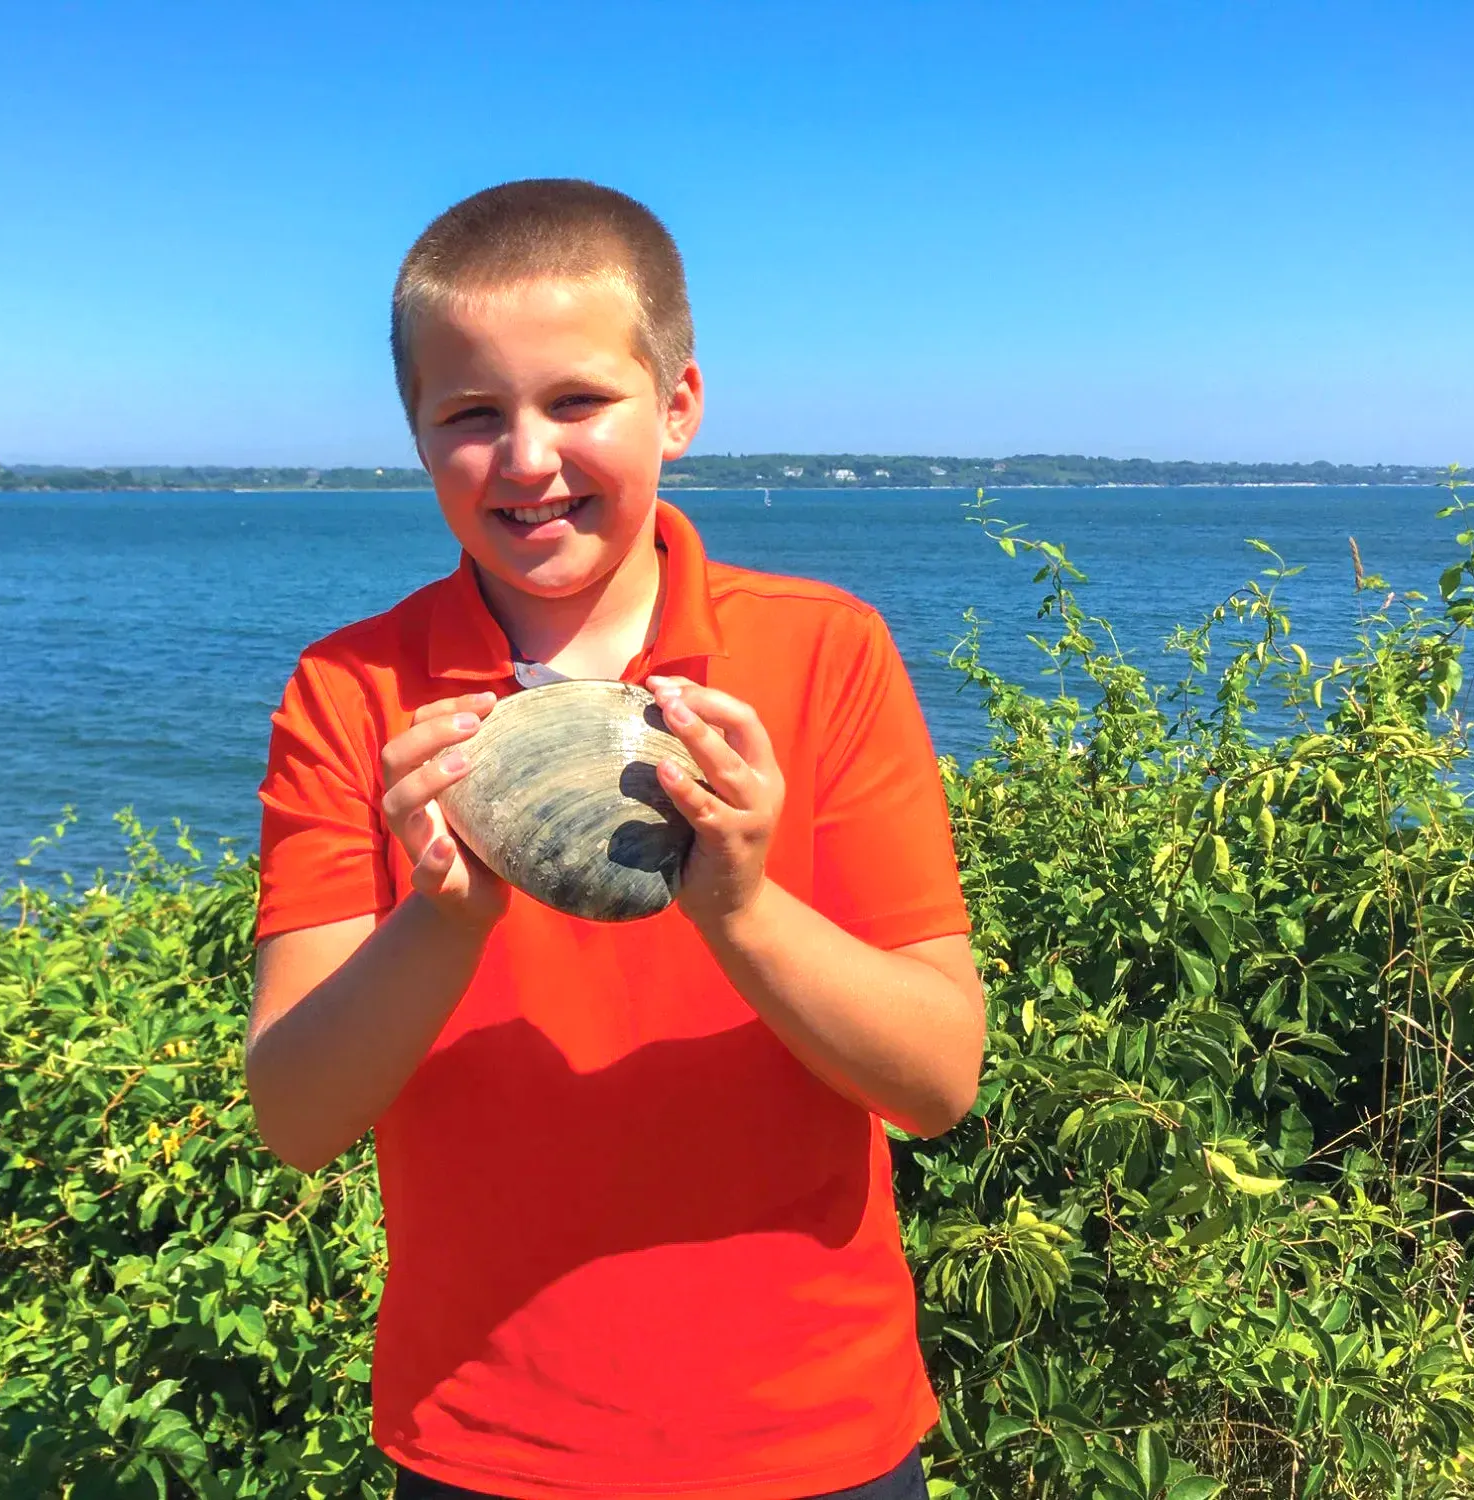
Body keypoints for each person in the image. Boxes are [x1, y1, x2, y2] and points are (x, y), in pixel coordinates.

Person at [247, 179, 986, 1500]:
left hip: (813, 1430)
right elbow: (297, 1114)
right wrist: (446, 916)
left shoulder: (825, 654)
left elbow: (936, 1080)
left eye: (577, 402)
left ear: (679, 404)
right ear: (419, 440)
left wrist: (742, 903)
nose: (526, 459)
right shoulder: (350, 692)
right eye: (470, 416)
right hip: (485, 1440)